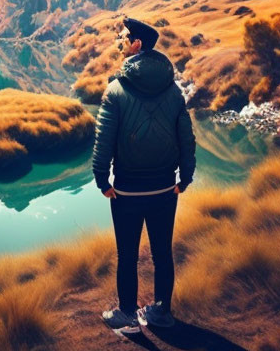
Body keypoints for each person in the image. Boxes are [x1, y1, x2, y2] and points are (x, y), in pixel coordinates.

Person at [93, 17, 196, 337]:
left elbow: (104, 141)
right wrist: (186, 177)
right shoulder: (174, 90)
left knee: (127, 254)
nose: (119, 41)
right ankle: (161, 313)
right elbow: (186, 138)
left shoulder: (115, 89)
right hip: (166, 187)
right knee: (163, 251)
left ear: (137, 44)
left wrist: (102, 179)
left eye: (124, 37)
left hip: (126, 192)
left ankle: (126, 315)